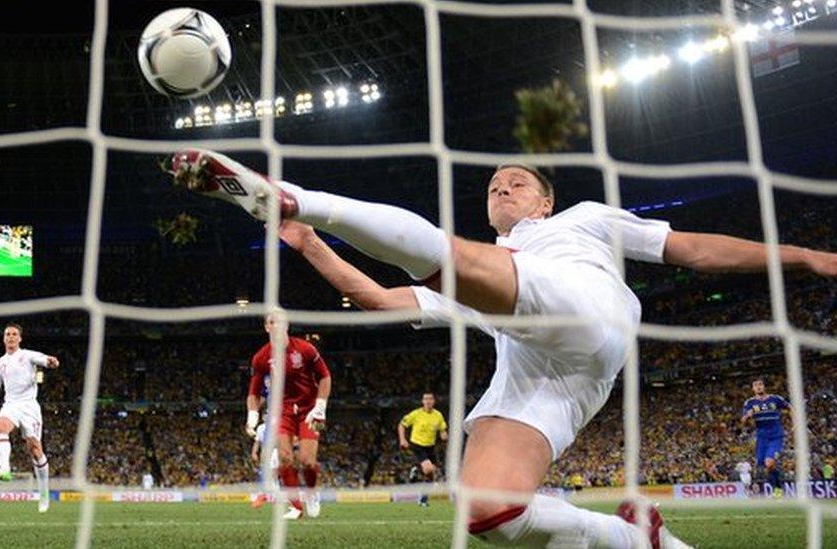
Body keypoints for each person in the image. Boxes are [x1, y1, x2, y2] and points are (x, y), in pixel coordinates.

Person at [171, 149, 837, 547]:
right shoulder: (487, 272)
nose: (502, 188)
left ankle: (299, 194)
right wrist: (308, 244)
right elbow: (379, 300)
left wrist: (803, 256)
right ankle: (636, 536)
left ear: (545, 201)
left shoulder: (583, 221)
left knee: (452, 256)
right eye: (493, 186)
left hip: (587, 311)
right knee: (486, 512)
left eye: (516, 181)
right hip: (546, 381)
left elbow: (689, 248)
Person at [246, 316, 331, 520]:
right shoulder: (260, 358)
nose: (277, 324)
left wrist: (320, 406)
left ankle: (311, 493)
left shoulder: (305, 349)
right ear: (267, 327)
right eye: (272, 321)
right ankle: (297, 507)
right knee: (284, 458)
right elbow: (254, 392)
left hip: (308, 409)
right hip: (281, 410)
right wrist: (252, 415)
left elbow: (325, 377)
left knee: (308, 462)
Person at [0, 323, 59, 513]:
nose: (11, 337)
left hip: (29, 406)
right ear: (4, 338)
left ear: (20, 338)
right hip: (11, 405)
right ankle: (5, 468)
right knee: (1, 424)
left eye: (14, 334)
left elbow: (46, 360)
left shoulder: (27, 355)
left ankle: (44, 493)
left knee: (35, 451)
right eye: (8, 334)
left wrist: (51, 361)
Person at [742, 378, 789, 498]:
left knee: (769, 463)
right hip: (761, 437)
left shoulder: (775, 399)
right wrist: (747, 416)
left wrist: (796, 422)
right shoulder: (749, 403)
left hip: (775, 435)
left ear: (764, 386)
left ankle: (777, 490)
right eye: (756, 385)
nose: (758, 387)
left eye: (760, 384)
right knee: (761, 465)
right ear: (753, 389)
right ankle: (774, 487)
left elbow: (790, 407)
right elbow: (743, 421)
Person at [398, 392, 448, 507]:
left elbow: (442, 428)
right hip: (417, 445)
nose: (428, 401)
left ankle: (423, 499)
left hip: (430, 447)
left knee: (430, 474)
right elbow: (402, 425)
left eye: (430, 399)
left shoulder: (438, 415)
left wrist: (444, 434)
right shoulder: (416, 414)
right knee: (428, 468)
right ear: (422, 401)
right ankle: (417, 468)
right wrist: (402, 440)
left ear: (434, 401)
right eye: (426, 399)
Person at [250, 420, 281, 509]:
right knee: (264, 474)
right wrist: (254, 452)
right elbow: (257, 441)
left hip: (275, 450)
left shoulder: (277, 425)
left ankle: (268, 497)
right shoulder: (261, 428)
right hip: (265, 451)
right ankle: (269, 496)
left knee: (272, 474)